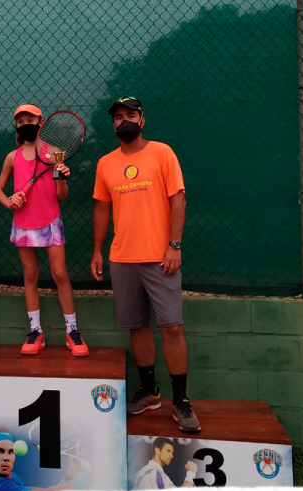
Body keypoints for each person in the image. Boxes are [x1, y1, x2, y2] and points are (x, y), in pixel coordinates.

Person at [91, 96, 200, 433]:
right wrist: (97, 251)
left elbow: (178, 200)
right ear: (112, 124)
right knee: (137, 327)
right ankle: (150, 392)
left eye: (130, 115)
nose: (124, 120)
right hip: (122, 260)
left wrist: (174, 245)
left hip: (161, 258)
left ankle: (181, 402)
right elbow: (102, 209)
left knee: (173, 328)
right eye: (118, 117)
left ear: (142, 120)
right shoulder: (105, 163)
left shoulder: (162, 153)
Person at [0, 104, 89, 357]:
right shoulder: (12, 157)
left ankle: (72, 331)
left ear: (41, 122)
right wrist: (8, 201)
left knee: (60, 273)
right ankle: (36, 331)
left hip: (50, 221)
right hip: (23, 224)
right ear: (16, 125)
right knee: (30, 274)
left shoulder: (54, 152)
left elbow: (61, 195)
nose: (26, 124)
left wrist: (62, 179)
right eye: (21, 121)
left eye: (31, 120)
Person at [0, 427, 87, 491]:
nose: (6, 458)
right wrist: (84, 481)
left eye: (10, 452)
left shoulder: (12, 477)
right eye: (0, 451)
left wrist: (67, 478)